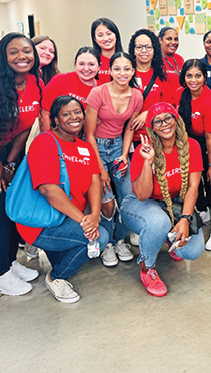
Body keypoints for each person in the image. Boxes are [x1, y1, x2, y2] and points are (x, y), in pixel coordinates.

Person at [18, 96, 109, 303]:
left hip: (68, 218)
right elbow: (48, 190)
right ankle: (56, 277)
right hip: (41, 222)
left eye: (77, 112)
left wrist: (94, 215)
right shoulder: (45, 141)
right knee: (98, 237)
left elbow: (95, 182)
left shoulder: (85, 147)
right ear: (56, 119)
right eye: (66, 114)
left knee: (90, 233)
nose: (74, 117)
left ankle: (59, 259)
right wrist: (85, 222)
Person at [0, 33, 42, 295]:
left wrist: (11, 162)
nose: (22, 56)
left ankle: (11, 262)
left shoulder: (35, 83)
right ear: (3, 56)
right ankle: (0, 275)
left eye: (26, 51)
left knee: (13, 203)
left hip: (7, 153)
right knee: (1, 208)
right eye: (13, 52)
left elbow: (23, 132)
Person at [120, 102, 205, 297]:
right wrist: (148, 162)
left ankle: (169, 236)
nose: (164, 124)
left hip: (174, 204)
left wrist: (185, 219)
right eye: (157, 121)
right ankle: (147, 267)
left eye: (168, 118)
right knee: (159, 221)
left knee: (192, 251)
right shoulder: (144, 150)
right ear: (152, 127)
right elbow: (142, 194)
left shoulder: (191, 145)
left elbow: (193, 187)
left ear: (176, 120)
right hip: (141, 204)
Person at [85, 52, 143, 266]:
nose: (122, 73)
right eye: (117, 68)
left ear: (133, 71)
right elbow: (89, 134)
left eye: (127, 69)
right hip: (96, 147)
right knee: (107, 203)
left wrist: (125, 154)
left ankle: (119, 240)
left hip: (119, 146)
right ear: (109, 71)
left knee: (128, 200)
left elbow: (130, 127)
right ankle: (107, 244)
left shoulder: (136, 95)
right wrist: (100, 168)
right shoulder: (97, 93)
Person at [176, 60, 211, 251]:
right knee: (193, 178)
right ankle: (203, 210)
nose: (193, 80)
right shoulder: (180, 94)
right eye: (189, 75)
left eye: (198, 75)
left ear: (205, 77)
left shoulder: (210, 100)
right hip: (193, 141)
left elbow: (210, 138)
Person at [128, 29, 177, 145]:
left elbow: (167, 107)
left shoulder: (161, 76)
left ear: (154, 50)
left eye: (148, 47)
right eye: (139, 47)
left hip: (155, 136)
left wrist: (147, 113)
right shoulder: (126, 74)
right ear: (133, 50)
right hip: (129, 137)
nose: (144, 51)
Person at [40, 46, 102, 132]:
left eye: (91, 64)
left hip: (88, 137)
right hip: (58, 135)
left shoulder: (102, 89)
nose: (86, 68)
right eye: (81, 64)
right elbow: (45, 113)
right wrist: (48, 138)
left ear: (99, 66)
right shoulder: (59, 81)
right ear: (75, 64)